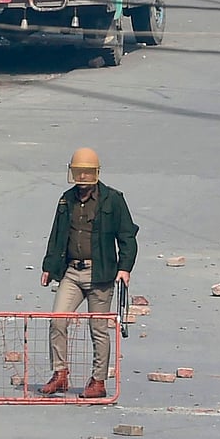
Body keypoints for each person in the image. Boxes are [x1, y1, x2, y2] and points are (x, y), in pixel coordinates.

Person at [39, 148, 139, 399]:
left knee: (99, 328)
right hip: (71, 271)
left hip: (101, 273)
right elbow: (57, 235)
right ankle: (60, 374)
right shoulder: (65, 200)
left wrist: (125, 268)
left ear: (96, 173)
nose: (82, 178)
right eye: (78, 172)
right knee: (57, 320)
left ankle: (98, 381)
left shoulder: (113, 199)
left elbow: (127, 235)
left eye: (87, 172)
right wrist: (49, 267)